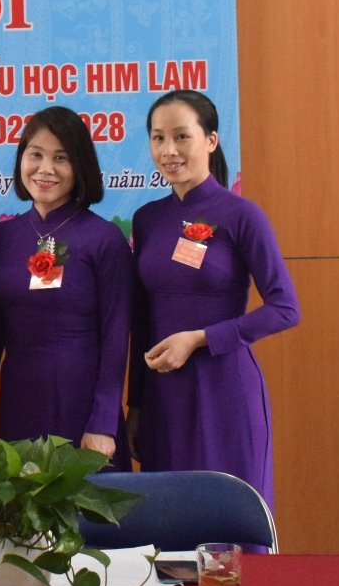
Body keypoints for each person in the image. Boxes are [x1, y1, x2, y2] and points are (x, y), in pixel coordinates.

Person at [128, 90, 300, 509]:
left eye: (181, 136)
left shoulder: (242, 215)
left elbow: (285, 308)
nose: (168, 150)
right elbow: (141, 319)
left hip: (225, 388)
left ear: (210, 140)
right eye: (158, 138)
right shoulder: (147, 219)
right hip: (164, 395)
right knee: (168, 521)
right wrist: (136, 405)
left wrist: (200, 338)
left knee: (228, 519)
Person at [0, 107, 132, 464]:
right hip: (19, 399)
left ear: (80, 165)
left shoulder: (105, 239)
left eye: (61, 158)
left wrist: (104, 421)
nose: (45, 169)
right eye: (36, 155)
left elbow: (117, 335)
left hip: (82, 403)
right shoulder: (1, 238)